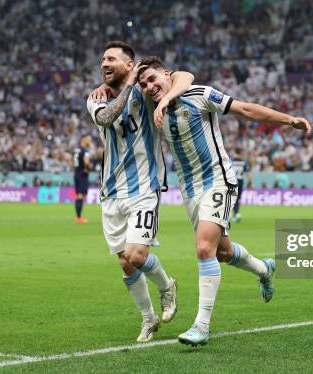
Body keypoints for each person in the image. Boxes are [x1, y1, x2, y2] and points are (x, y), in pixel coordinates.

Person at [136, 56, 311, 346]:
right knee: (222, 252)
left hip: (218, 179)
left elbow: (243, 108)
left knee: (204, 248)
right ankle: (264, 269)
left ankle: (201, 326)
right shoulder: (154, 111)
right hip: (190, 190)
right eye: (143, 84)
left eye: (153, 79)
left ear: (167, 74)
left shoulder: (199, 95)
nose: (149, 86)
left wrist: (287, 119)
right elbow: (145, 86)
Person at [87, 41, 194, 343]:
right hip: (111, 191)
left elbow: (184, 78)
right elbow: (107, 118)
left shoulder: (146, 92)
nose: (104, 64)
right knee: (124, 261)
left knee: (136, 254)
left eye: (111, 59)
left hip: (145, 187)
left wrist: (159, 96)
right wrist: (124, 86)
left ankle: (166, 286)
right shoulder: (95, 98)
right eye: (102, 60)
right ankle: (148, 319)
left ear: (129, 65)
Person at [73, 135, 92, 223]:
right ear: (84, 140)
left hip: (76, 172)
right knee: (80, 196)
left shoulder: (76, 150)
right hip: (82, 174)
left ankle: (78, 217)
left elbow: (72, 161)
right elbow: (86, 162)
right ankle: (79, 218)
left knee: (78, 195)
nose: (90, 141)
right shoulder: (85, 151)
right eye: (89, 140)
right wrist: (87, 168)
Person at [231, 147, 252, 223]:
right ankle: (236, 214)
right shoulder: (243, 162)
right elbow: (247, 173)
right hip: (240, 181)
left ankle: (233, 214)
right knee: (237, 198)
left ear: (235, 152)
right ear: (240, 152)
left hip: (232, 181)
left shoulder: (231, 161)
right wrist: (250, 182)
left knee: (231, 198)